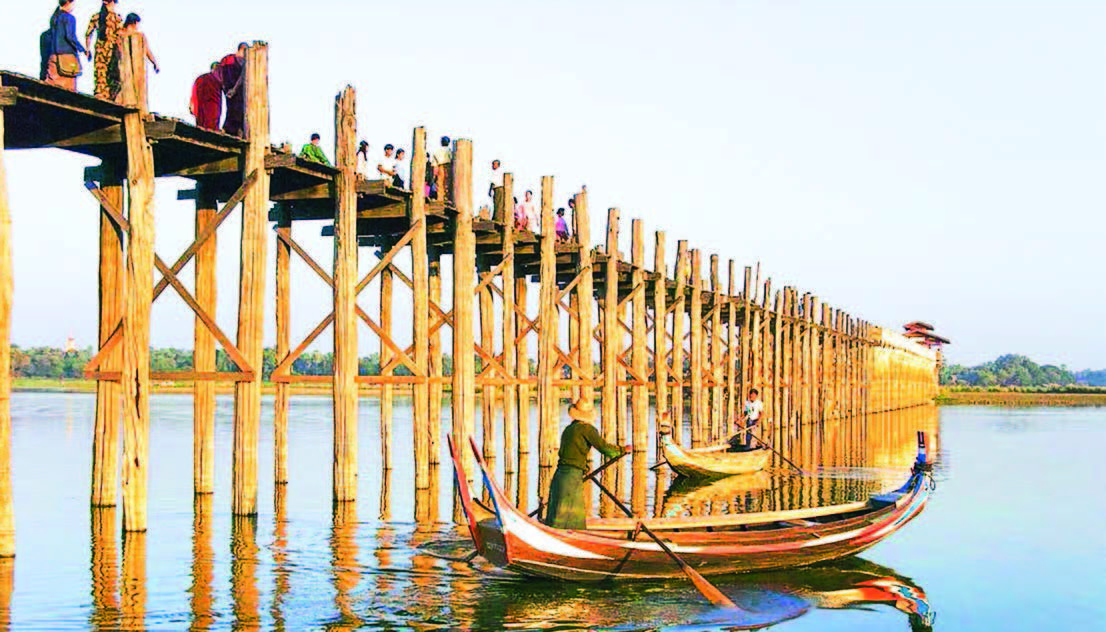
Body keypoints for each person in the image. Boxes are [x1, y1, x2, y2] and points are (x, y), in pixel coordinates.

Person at [544, 399, 629, 529]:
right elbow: (604, 448)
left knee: (556, 516)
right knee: (572, 519)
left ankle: (556, 534)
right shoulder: (587, 429)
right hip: (572, 477)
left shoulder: (568, 429)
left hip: (560, 475)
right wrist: (622, 450)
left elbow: (570, 453)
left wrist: (585, 467)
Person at [84, 0, 123, 100]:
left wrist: (87, 48)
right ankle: (108, 94)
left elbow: (88, 34)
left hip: (100, 48)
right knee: (110, 73)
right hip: (111, 49)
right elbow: (119, 38)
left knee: (100, 72)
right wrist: (121, 54)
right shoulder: (116, 18)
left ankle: (100, 93)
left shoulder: (96, 16)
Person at [44, 0, 87, 91]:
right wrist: (83, 49)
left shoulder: (54, 18)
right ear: (69, 3)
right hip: (67, 58)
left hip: (53, 55)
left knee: (51, 86)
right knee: (69, 88)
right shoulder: (69, 18)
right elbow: (70, 37)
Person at [219, 43, 248, 137]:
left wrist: (235, 89)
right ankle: (228, 130)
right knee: (232, 110)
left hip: (240, 92)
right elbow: (221, 73)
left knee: (239, 111)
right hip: (229, 89)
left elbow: (243, 77)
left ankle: (238, 132)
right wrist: (225, 87)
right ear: (240, 50)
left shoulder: (246, 63)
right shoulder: (229, 60)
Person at [189, 62, 222, 130]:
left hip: (211, 106)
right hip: (204, 107)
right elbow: (195, 92)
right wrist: (191, 104)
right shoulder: (203, 79)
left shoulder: (217, 80)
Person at [431, 136, 452, 200]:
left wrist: (434, 174)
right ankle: (447, 197)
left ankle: (440, 198)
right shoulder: (450, 151)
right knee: (448, 183)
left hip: (440, 166)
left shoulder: (437, 151)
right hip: (448, 167)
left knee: (440, 184)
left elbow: (434, 164)